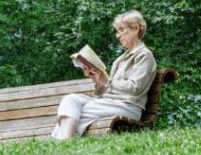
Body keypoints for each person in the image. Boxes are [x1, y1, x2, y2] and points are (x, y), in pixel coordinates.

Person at [52, 11, 157, 139]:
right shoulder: (120, 59)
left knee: (76, 112)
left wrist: (108, 80)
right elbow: (104, 92)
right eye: (117, 31)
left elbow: (135, 88)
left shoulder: (144, 55)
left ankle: (63, 144)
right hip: (109, 102)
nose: (118, 35)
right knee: (70, 100)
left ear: (136, 28)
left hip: (127, 105)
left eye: (121, 30)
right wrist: (96, 79)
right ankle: (65, 142)